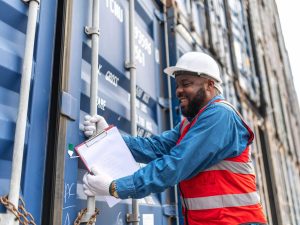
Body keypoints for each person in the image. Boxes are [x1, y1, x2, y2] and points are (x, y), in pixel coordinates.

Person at [82, 52, 268, 225]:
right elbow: (154, 148)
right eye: (177, 85)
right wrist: (107, 136)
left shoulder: (220, 116)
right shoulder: (190, 124)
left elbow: (176, 164)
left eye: (186, 84)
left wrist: (116, 188)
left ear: (210, 85)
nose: (178, 91)